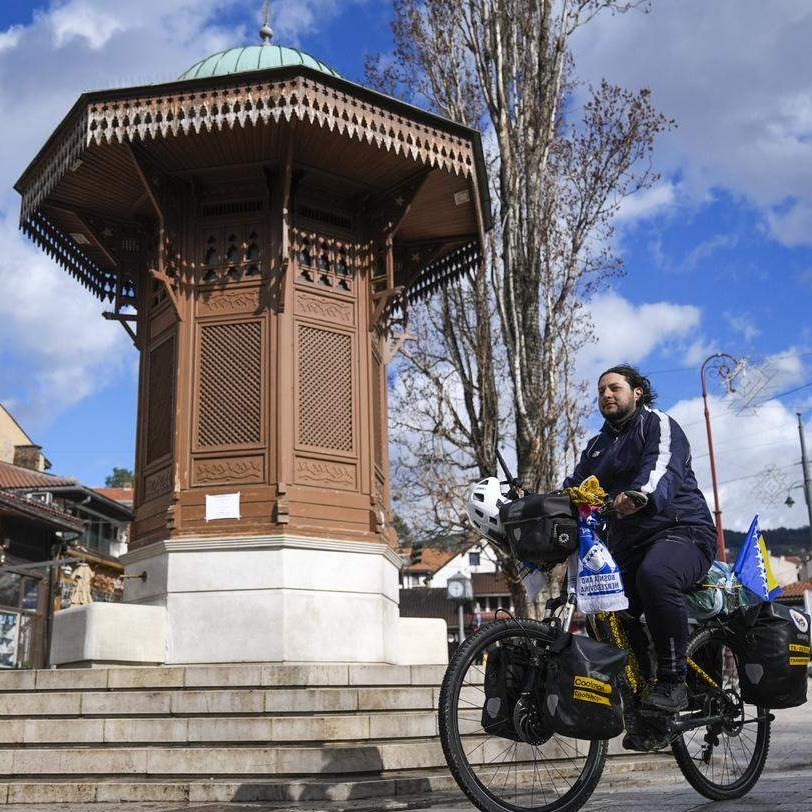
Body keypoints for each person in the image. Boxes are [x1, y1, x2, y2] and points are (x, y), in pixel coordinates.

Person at [564, 364, 716, 747]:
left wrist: (640, 495)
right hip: (629, 545)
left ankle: (673, 681)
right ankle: (646, 700)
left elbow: (660, 470)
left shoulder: (658, 424)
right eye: (601, 391)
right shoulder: (598, 446)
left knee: (656, 576)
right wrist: (532, 505)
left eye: (614, 387)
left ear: (638, 393)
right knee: (605, 608)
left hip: (683, 531)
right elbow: (572, 489)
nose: (606, 395)